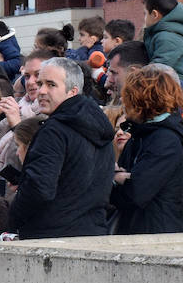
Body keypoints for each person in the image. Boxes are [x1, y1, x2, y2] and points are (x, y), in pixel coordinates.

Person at [9, 58, 116, 239]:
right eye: (40, 83)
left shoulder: (54, 131)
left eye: (51, 85)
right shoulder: (100, 127)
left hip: (52, 238)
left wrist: (12, 219)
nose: (41, 91)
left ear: (72, 91)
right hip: (93, 234)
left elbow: (39, 189)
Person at [111, 66, 183, 234]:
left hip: (157, 234)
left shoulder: (165, 140)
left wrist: (118, 177)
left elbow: (136, 193)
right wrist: (120, 178)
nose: (124, 104)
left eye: (128, 98)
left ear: (142, 101)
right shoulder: (141, 134)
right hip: (138, 229)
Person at [142, 0, 183, 92]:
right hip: (174, 82)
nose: (144, 18)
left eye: (145, 14)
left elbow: (160, 66)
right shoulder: (163, 33)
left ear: (155, 15)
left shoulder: (167, 37)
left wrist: (137, 77)